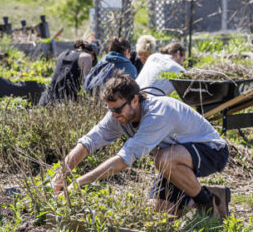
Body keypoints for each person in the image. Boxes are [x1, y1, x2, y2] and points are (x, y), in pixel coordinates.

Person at [52, 75, 231, 219]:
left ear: (135, 100)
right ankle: (213, 195)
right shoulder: (118, 114)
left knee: (164, 159)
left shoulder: (158, 114)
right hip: (176, 158)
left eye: (117, 110)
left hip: (211, 151)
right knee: (158, 213)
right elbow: (88, 142)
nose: (113, 115)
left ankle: (206, 206)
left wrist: (78, 184)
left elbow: (123, 160)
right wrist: (60, 176)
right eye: (110, 109)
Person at [39, 40, 97, 106]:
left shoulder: (63, 54)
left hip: (45, 99)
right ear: (92, 53)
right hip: (63, 104)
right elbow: (87, 84)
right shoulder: (87, 57)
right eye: (93, 60)